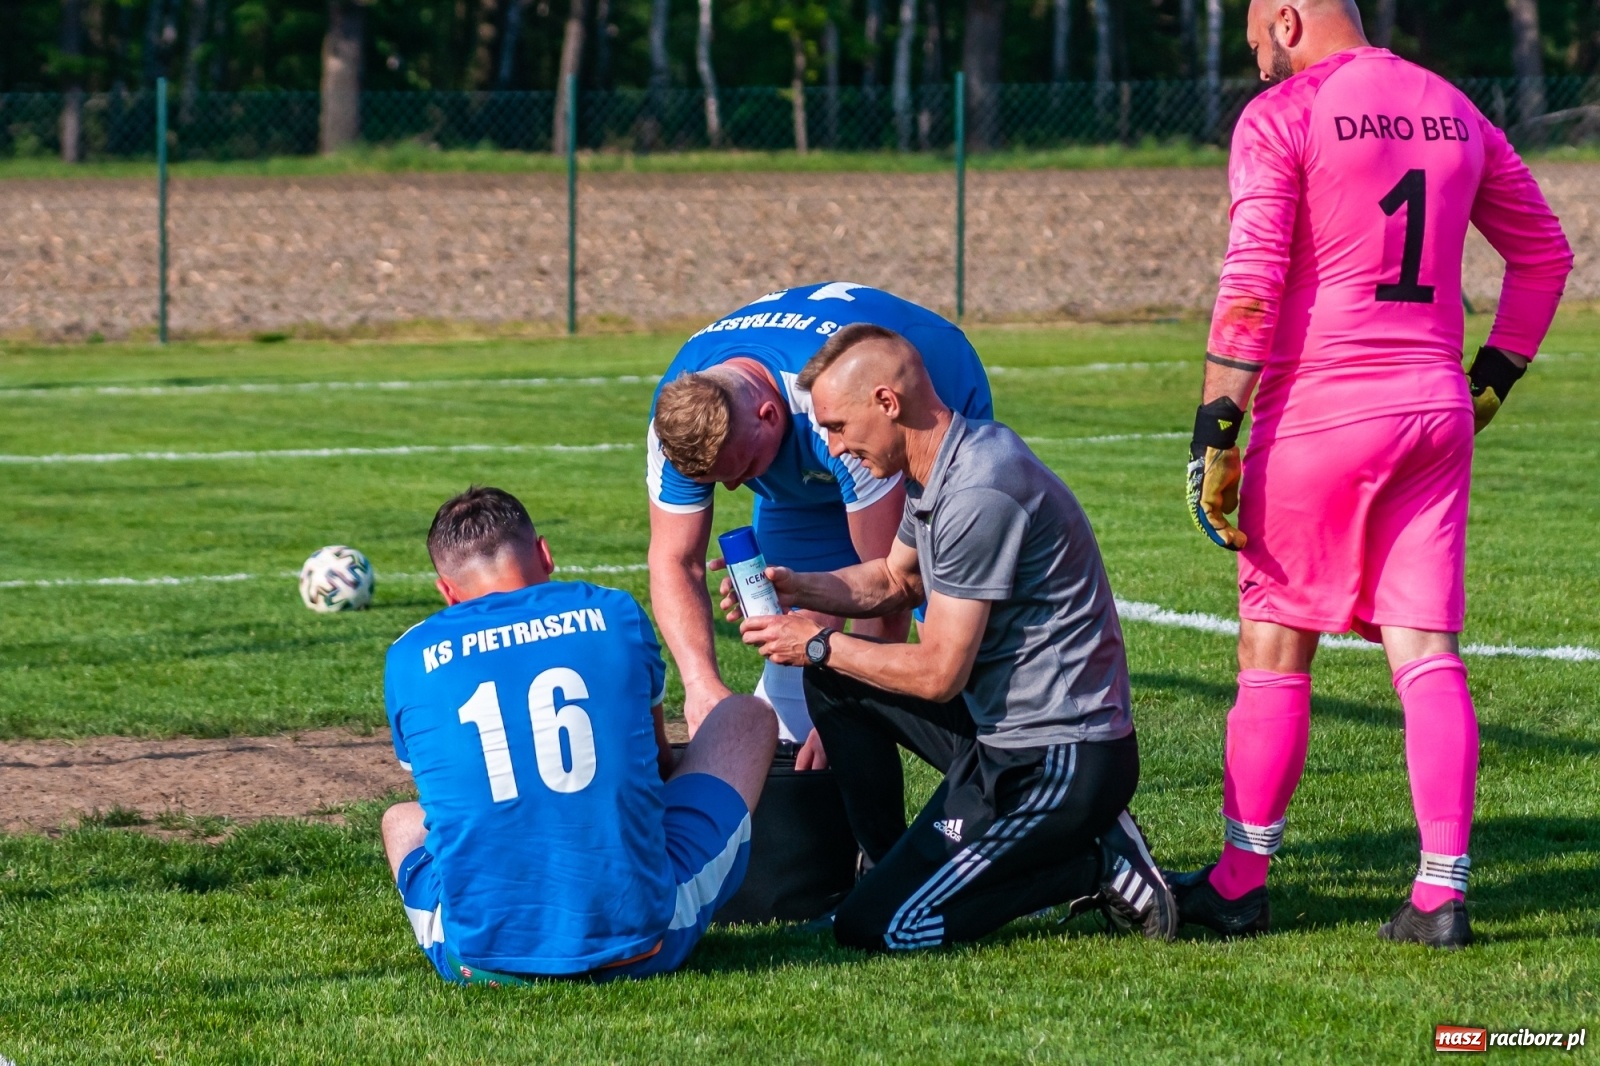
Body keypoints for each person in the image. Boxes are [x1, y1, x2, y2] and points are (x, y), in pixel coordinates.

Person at [1178, 0, 1573, 949]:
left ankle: (1241, 880)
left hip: (1320, 412)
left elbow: (1253, 281)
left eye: (1253, 42)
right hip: (1436, 411)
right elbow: (1545, 255)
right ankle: (1440, 894)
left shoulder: (1285, 113)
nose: (1257, 62)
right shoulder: (1452, 105)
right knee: (1426, 653)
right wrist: (1489, 382)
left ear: (1283, 20)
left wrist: (1214, 429)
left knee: (1273, 653)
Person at [733, 324, 1177, 950]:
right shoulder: (939, 467)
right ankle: (884, 864)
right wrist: (798, 589)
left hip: (1056, 756)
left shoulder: (977, 490)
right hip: (998, 730)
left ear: (888, 403)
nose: (831, 449)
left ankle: (1094, 864)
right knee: (830, 678)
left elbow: (941, 672)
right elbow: (895, 580)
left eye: (836, 427)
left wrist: (817, 641)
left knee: (884, 929)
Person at [380, 487, 777, 983]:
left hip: (479, 962)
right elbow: (657, 767)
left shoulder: (408, 655)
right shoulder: (613, 612)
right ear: (545, 554)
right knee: (747, 717)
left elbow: (448, 800)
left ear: (447, 592)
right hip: (644, 941)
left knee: (402, 821)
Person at [647, 282, 993, 768]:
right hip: (798, 447)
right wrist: (701, 685)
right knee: (791, 617)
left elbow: (893, 585)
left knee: (945, 640)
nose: (732, 491)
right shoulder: (677, 414)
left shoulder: (832, 408)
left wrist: (851, 710)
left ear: (768, 416)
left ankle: (1019, 775)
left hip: (924, 394)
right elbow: (674, 560)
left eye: (743, 471)